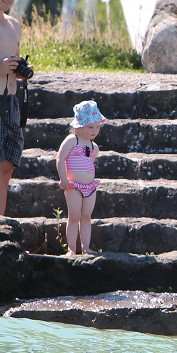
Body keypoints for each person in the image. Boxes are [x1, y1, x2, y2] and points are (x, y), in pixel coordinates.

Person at [55, 100, 107, 255]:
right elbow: (60, 158)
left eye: (97, 126)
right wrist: (63, 178)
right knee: (74, 216)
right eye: (90, 126)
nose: (95, 130)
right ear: (78, 126)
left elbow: (89, 163)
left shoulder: (93, 146)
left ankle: (86, 247)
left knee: (86, 217)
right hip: (73, 186)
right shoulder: (72, 140)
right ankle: (71, 249)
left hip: (90, 187)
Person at [0, 0, 23, 216]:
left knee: (6, 167)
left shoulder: (15, 24)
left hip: (11, 102)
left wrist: (20, 69)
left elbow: (11, 61)